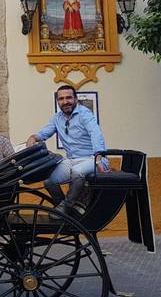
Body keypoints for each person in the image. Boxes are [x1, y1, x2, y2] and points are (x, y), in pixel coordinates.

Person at [26, 84, 108, 214]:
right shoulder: (57, 118)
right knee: (49, 181)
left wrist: (98, 158)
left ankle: (66, 206)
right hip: (72, 160)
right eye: (61, 99)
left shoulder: (84, 114)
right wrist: (33, 137)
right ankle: (63, 206)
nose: (65, 102)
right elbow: (43, 134)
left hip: (92, 159)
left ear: (75, 99)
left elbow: (95, 134)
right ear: (58, 101)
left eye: (69, 98)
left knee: (77, 172)